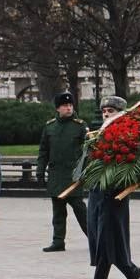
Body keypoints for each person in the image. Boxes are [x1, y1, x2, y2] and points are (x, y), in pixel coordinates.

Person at [82, 96, 140, 279]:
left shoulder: (129, 134)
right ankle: (131, 271)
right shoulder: (96, 135)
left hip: (114, 194)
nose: (106, 114)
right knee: (100, 240)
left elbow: (133, 164)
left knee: (106, 242)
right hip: (96, 193)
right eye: (104, 110)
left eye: (111, 110)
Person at [37, 91, 88, 252]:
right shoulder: (50, 126)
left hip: (73, 175)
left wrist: (85, 171)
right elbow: (43, 150)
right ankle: (58, 241)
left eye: (70, 105)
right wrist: (39, 170)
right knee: (58, 211)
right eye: (65, 106)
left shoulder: (80, 126)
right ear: (58, 108)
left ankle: (94, 237)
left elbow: (88, 151)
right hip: (56, 174)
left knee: (80, 210)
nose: (69, 108)